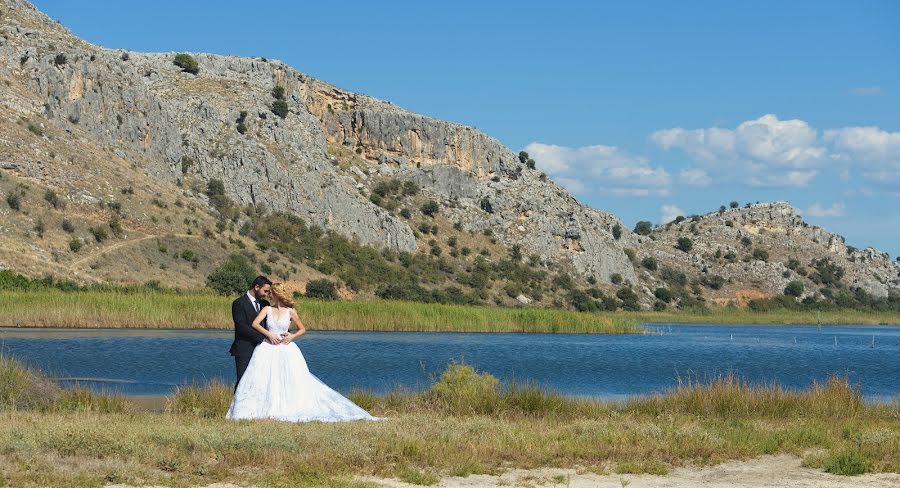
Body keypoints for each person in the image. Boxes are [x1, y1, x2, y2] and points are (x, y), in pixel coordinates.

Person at [226, 282, 377, 422]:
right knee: (264, 378)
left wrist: (292, 336)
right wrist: (269, 334)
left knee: (289, 378)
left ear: (278, 294)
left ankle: (288, 405)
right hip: (268, 348)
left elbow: (302, 329)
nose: (268, 295)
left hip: (286, 348)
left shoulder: (291, 312)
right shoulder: (267, 309)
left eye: (271, 293)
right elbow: (255, 324)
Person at [229, 275, 277, 390]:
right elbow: (241, 327)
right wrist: (263, 338)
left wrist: (282, 333)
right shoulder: (239, 303)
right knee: (243, 382)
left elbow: (270, 324)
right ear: (256, 287)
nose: (267, 294)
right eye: (265, 291)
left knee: (261, 383)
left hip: (263, 350)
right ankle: (237, 407)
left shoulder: (265, 304)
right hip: (244, 349)